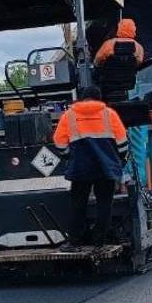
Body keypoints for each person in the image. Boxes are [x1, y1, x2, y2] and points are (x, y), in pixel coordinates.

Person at [53, 85, 129, 252]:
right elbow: (123, 143)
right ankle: (99, 242)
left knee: (78, 204)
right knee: (104, 204)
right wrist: (120, 161)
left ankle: (74, 242)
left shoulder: (69, 116)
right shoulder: (110, 115)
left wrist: (69, 157)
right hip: (106, 168)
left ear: (82, 98)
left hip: (80, 167)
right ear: (99, 98)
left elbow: (59, 143)